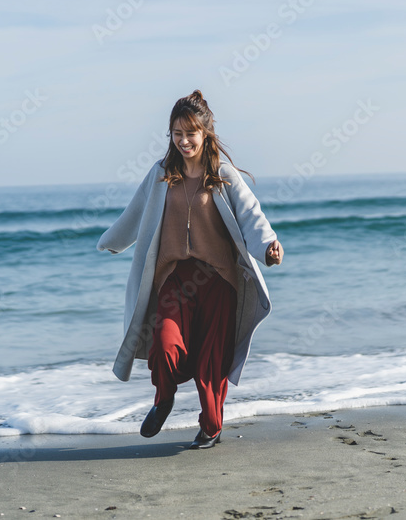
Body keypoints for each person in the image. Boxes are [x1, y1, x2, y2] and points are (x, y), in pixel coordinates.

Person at [96, 89, 283, 449]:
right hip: (174, 279)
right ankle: (163, 399)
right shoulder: (161, 174)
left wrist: (268, 247)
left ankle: (210, 427)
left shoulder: (222, 175)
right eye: (177, 134)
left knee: (211, 363)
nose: (183, 141)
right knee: (164, 346)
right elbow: (136, 213)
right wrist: (111, 241)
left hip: (218, 280)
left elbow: (250, 215)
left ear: (205, 133)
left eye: (190, 134)